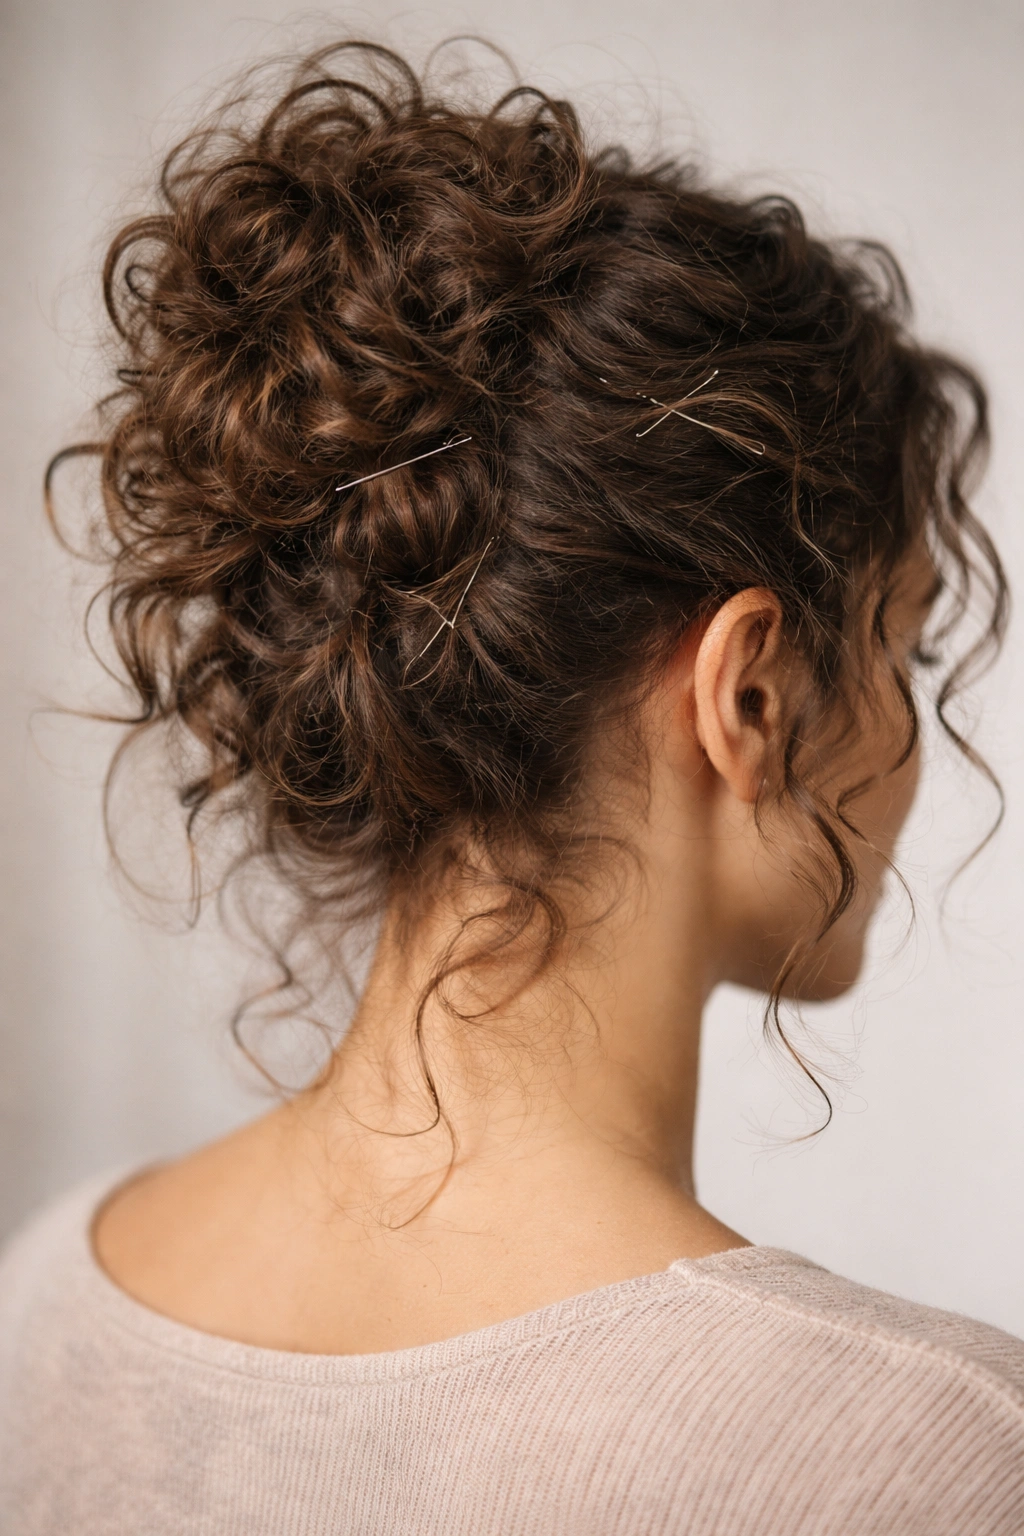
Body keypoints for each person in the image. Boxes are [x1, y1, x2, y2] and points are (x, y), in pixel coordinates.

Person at [1, 38, 1021, 1536]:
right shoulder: (926, 1460)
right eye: (901, 649)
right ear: (746, 695)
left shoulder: (40, 1303)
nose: (914, 750)